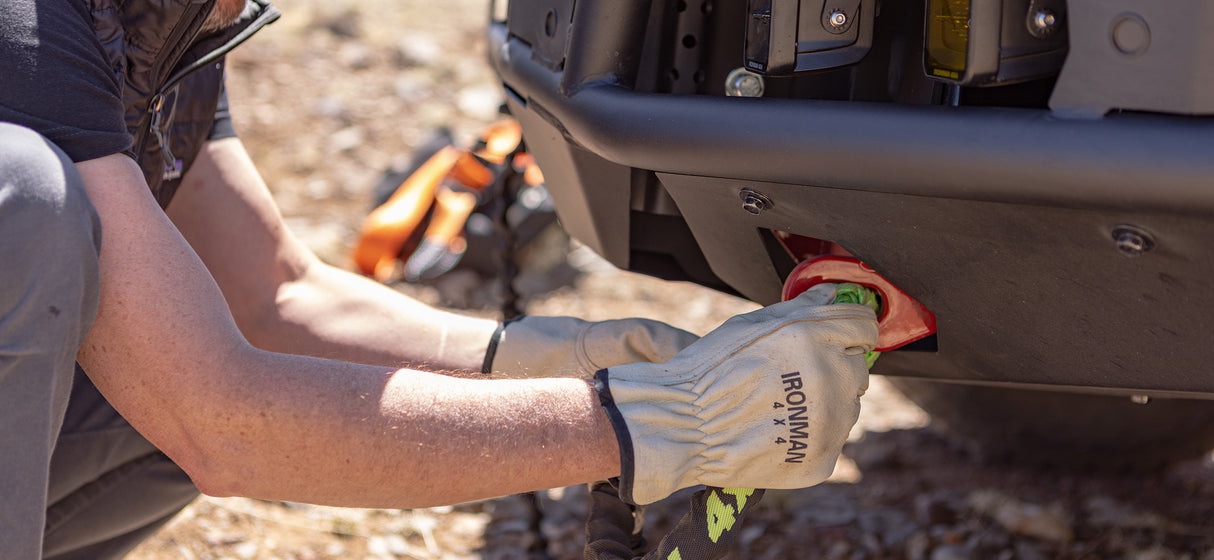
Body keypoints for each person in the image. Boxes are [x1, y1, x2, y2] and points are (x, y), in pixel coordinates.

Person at [0, 0, 880, 558]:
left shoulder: (169, 25)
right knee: (26, 200)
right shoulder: (38, 29)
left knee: (156, 339)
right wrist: (660, 420)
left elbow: (269, 299)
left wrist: (547, 360)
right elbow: (216, 419)